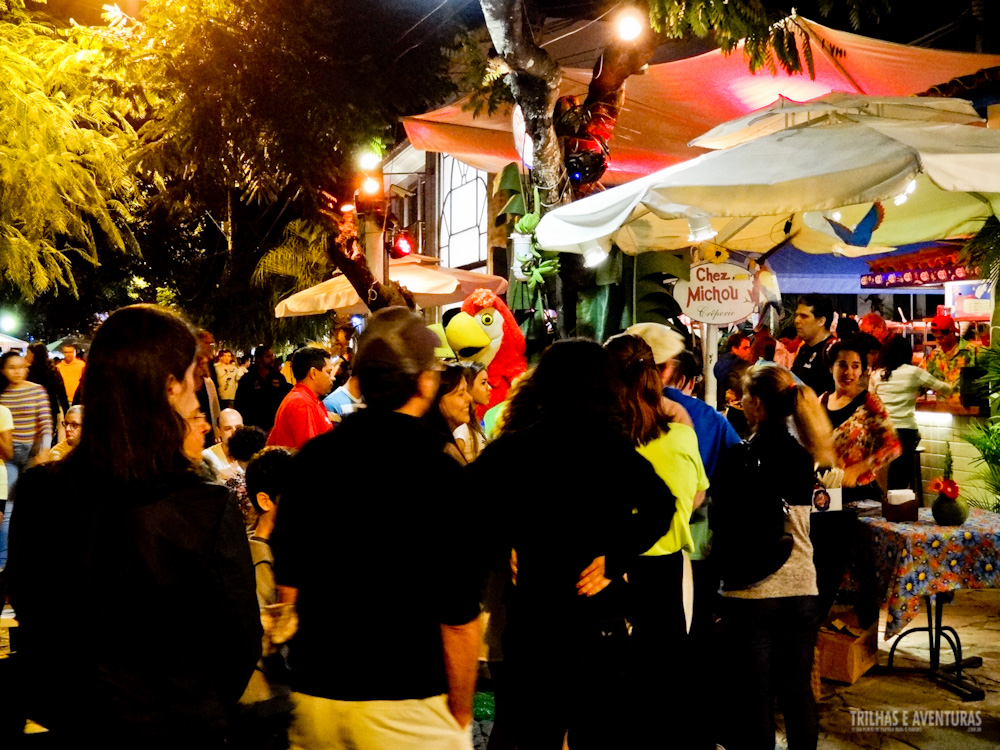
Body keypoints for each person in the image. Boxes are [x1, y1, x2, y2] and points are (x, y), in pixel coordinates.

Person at [5, 304, 261, 748]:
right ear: (168, 387)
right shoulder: (203, 507)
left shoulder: (39, 493)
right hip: (179, 728)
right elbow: (236, 645)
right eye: (192, 382)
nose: (196, 400)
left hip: (70, 724)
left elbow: (31, 609)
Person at [270, 308, 482, 750]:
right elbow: (459, 619)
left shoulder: (313, 460)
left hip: (316, 696)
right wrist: (460, 712)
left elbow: (286, 589)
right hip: (405, 701)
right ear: (425, 382)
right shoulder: (440, 472)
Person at [467, 339, 675, 750]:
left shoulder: (516, 447)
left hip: (534, 627)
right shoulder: (612, 449)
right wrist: (614, 560)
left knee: (528, 736)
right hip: (599, 625)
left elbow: (461, 505)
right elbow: (662, 506)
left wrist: (499, 543)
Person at [712, 365, 834, 750]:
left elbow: (719, 518)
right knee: (798, 692)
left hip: (752, 593)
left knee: (756, 697)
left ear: (758, 406)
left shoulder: (739, 457)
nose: (741, 403)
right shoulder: (803, 456)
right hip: (801, 587)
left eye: (745, 398)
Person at [603, 333, 709, 749]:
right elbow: (697, 495)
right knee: (666, 677)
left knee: (615, 686)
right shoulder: (682, 436)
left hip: (610, 570)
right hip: (668, 573)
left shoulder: (602, 440)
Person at [234, 446, 296, 750]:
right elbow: (264, 640)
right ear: (265, 501)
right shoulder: (255, 559)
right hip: (267, 704)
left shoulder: (280, 550)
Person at [821, 339, 902, 504]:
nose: (849, 372)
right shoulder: (821, 401)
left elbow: (893, 447)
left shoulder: (869, 402)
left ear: (861, 371)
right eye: (842, 365)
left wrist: (857, 469)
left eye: (855, 366)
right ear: (831, 367)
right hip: (824, 494)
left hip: (859, 494)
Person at [870, 335, 954, 491]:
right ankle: (899, 507)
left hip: (882, 432)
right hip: (906, 432)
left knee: (885, 479)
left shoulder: (876, 374)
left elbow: (870, 401)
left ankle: (886, 504)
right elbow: (945, 388)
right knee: (900, 479)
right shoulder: (913, 372)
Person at [0, 352, 53, 568]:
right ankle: (4, 561)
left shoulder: (36, 390)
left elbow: (45, 422)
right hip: (8, 455)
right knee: (9, 508)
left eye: (21, 367)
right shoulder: (2, 393)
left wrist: (45, 450)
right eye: (12, 367)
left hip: (32, 453)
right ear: (3, 370)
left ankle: (23, 558)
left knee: (30, 506)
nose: (18, 371)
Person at [266, 347, 335, 450]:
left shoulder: (305, 400)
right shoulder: (301, 403)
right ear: (313, 373)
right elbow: (308, 454)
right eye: (328, 372)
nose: (333, 377)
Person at [422, 361, 473, 464]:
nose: (469, 398)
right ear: (437, 400)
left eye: (467, 391)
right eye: (460, 394)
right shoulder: (438, 454)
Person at [235, 345, 292, 432]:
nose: (272, 359)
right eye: (268, 356)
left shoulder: (278, 377)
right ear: (258, 359)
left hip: (276, 427)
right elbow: (240, 404)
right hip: (254, 428)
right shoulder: (248, 379)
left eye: (272, 356)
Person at [791, 294, 837, 396]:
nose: (797, 321)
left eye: (804, 316)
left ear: (821, 321)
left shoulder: (833, 351)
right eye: (796, 315)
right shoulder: (804, 349)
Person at [26, 342, 69, 436]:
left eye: (27, 353)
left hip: (32, 412)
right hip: (50, 411)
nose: (26, 356)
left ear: (34, 354)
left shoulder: (29, 373)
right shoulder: (52, 370)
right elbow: (62, 394)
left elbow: (61, 393)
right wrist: (66, 412)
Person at [922, 313, 975, 388]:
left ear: (951, 333)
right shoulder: (934, 356)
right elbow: (923, 380)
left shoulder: (972, 351)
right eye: (935, 338)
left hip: (967, 399)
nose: (937, 341)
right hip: (941, 399)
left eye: (940, 338)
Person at [455, 363, 490, 463]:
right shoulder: (461, 428)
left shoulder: (474, 422)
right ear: (468, 386)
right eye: (483, 383)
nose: (489, 388)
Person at [203, 408, 245, 480]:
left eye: (238, 427)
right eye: (228, 428)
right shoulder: (207, 457)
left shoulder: (252, 454)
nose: (234, 432)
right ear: (218, 431)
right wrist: (217, 475)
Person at [713, 332, 752, 410]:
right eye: (745, 348)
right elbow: (739, 386)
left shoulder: (722, 361)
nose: (749, 351)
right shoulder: (738, 366)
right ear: (734, 349)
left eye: (749, 348)